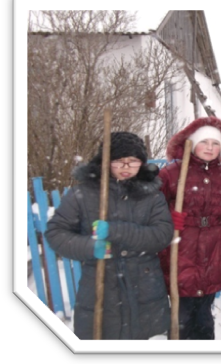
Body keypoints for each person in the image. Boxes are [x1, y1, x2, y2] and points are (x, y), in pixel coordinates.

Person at [45, 132, 173, 340]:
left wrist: (117, 230)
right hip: (99, 284)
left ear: (142, 163)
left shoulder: (151, 195)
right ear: (105, 162)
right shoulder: (84, 193)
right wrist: (89, 246)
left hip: (145, 287)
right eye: (118, 161)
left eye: (133, 161)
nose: (126, 167)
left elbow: (162, 235)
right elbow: (56, 233)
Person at [157, 117, 221, 340]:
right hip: (181, 247)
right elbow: (153, 208)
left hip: (215, 248)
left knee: (204, 314)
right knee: (182, 314)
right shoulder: (171, 173)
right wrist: (167, 220)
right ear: (192, 144)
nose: (210, 148)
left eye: (215, 144)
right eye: (204, 143)